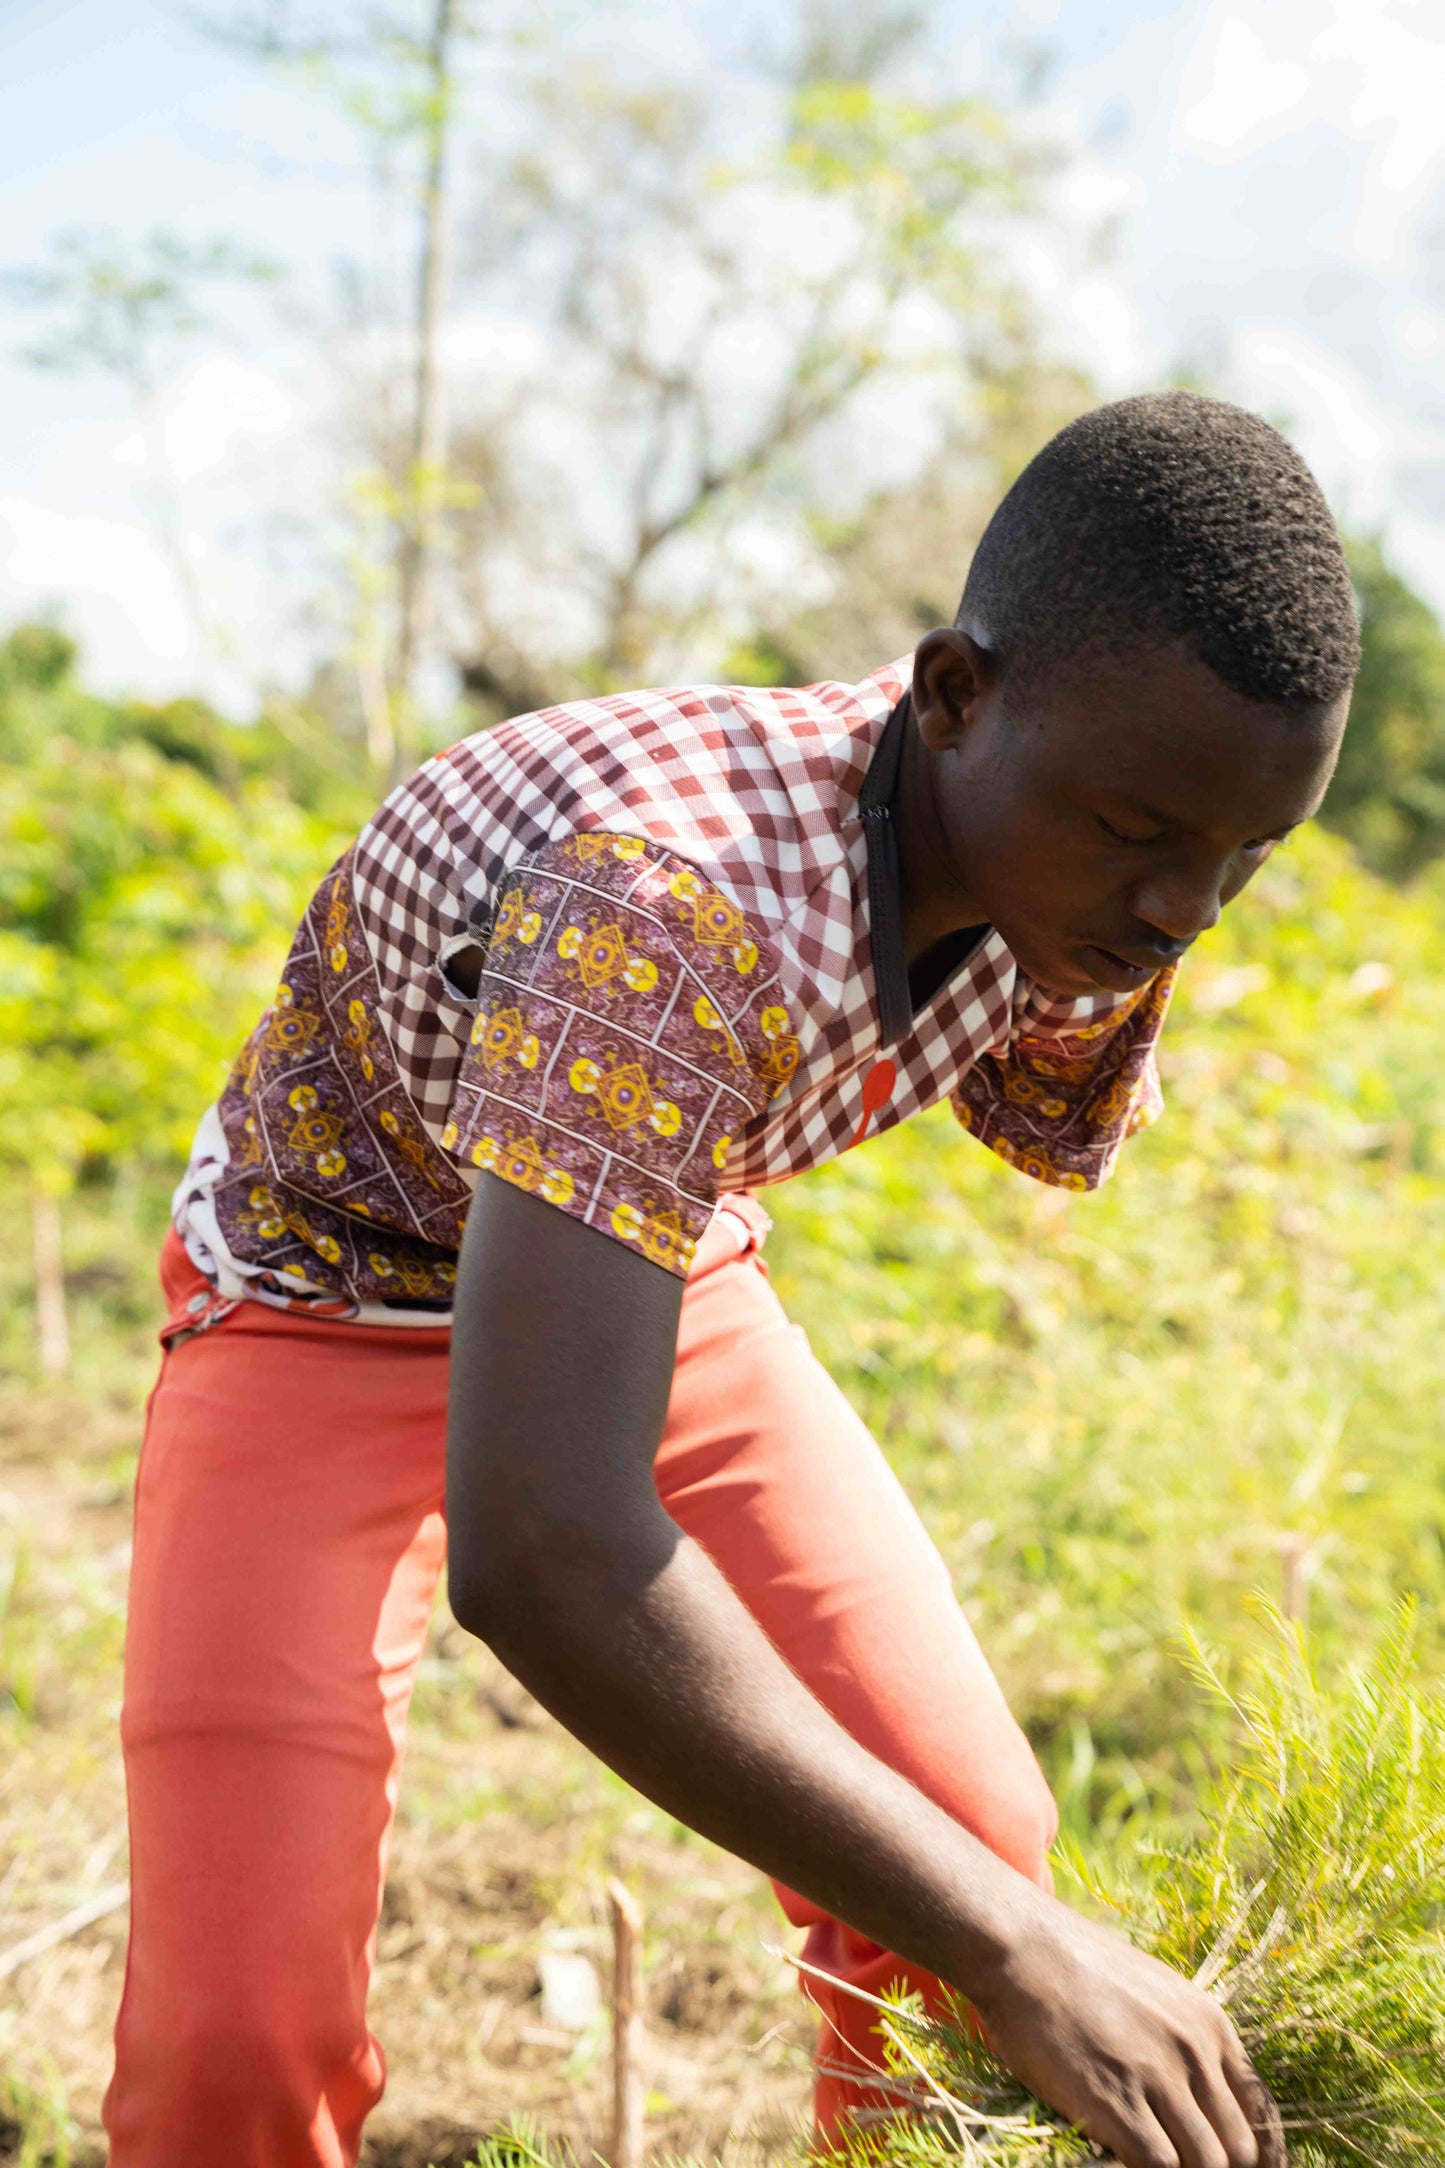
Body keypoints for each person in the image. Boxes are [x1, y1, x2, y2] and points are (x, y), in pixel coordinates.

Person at [104, 391, 1358, 2168]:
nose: (1183, 911)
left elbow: (1044, 977)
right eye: (1144, 831)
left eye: (1244, 855)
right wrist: (1017, 1952)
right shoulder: (663, 910)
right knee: (238, 2049)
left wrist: (979, 1928)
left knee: (964, 1830)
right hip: (324, 1297)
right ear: (951, 694)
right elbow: (546, 1550)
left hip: (639, 1262)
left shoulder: (1082, 871)